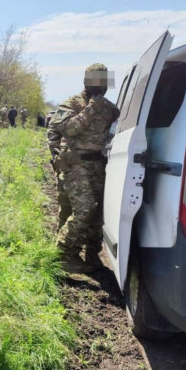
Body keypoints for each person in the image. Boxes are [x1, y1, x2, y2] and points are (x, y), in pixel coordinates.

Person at [48, 63, 120, 273]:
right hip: (75, 164)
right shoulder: (71, 103)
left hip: (98, 165)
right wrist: (92, 108)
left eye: (104, 81)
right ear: (87, 81)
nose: (100, 86)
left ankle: (92, 253)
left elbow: (115, 132)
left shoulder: (111, 108)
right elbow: (67, 129)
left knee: (97, 213)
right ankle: (63, 254)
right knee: (83, 209)